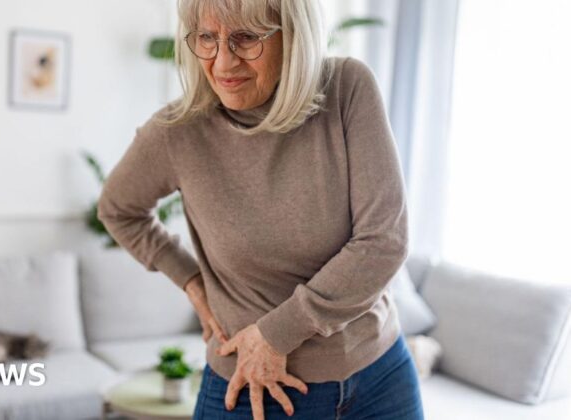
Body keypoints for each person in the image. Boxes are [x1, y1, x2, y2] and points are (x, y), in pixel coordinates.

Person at [97, 0, 424, 418]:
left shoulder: (346, 88)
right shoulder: (177, 133)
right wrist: (192, 281)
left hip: (380, 377)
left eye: (246, 38)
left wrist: (275, 334)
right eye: (207, 39)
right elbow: (118, 209)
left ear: (292, 36)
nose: (223, 62)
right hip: (252, 386)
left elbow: (384, 242)